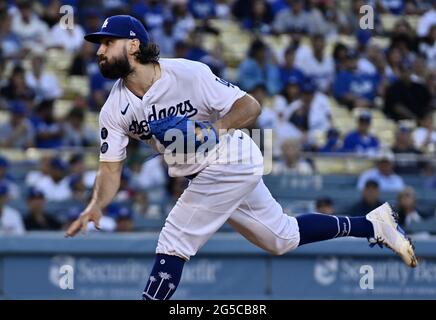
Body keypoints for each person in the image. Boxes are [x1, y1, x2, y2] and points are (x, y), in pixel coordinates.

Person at [65, 15, 418, 301]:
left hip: (231, 157)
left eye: (107, 42)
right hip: (204, 174)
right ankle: (373, 225)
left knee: (173, 241)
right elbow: (110, 169)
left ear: (133, 44)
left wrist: (216, 128)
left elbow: (250, 106)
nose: (99, 50)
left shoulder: (188, 73)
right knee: (281, 238)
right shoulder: (115, 109)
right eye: (99, 44)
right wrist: (97, 204)